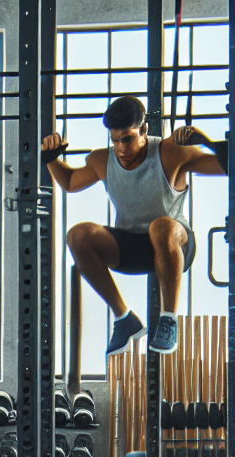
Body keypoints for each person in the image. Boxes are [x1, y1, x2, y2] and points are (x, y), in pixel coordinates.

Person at [42, 95, 225, 357]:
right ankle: (124, 320)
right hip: (131, 247)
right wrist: (50, 158)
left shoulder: (170, 153)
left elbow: (226, 165)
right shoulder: (102, 160)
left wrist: (206, 142)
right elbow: (70, 182)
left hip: (176, 244)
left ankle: (168, 319)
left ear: (144, 130)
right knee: (78, 235)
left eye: (127, 139)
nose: (121, 148)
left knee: (160, 227)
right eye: (115, 140)